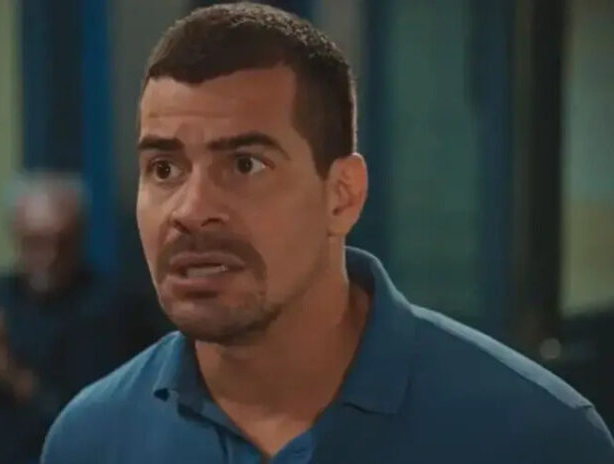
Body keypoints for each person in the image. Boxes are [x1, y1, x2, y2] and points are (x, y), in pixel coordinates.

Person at [41, 3, 614, 463]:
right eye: (164, 168)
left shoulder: (535, 436)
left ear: (342, 195)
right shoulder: (92, 439)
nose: (190, 211)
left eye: (245, 164)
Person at [0, 173, 166, 464]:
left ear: (80, 236)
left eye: (62, 242)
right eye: (35, 242)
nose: (50, 256)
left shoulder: (112, 306)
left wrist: (4, 370)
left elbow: (89, 424)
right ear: (15, 235)